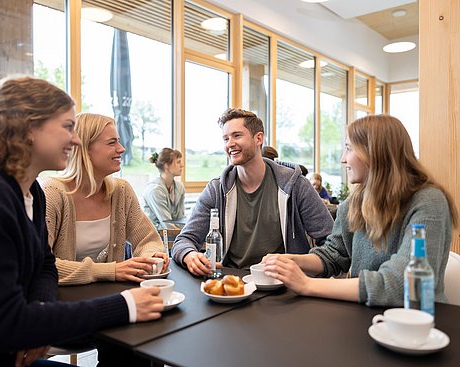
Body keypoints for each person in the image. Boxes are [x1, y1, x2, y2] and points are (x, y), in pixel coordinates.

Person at [0, 77, 164, 366]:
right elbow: (4, 325)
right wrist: (124, 304)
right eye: (68, 127)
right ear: (29, 129)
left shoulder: (31, 193)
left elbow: (44, 264)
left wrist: (37, 318)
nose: (75, 139)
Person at [264, 115, 458, 307]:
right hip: (366, 316)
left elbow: (403, 283)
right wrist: (291, 261)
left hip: (419, 322)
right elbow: (334, 254)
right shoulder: (354, 203)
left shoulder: (429, 202)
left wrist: (306, 284)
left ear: (374, 152)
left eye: (348, 149)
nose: (342, 159)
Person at [172, 108, 334, 276]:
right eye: (226, 138)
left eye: (237, 136)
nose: (229, 144)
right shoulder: (216, 189)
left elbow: (331, 241)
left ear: (259, 138)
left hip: (285, 285)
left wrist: (302, 268)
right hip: (233, 283)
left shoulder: (296, 185)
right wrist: (189, 255)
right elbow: (184, 240)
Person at [41, 113, 168, 286]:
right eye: (112, 142)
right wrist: (111, 271)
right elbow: (40, 264)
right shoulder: (52, 194)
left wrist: (151, 257)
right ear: (84, 148)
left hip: (109, 297)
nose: (122, 148)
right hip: (62, 302)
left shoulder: (121, 191)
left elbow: (148, 240)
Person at [143, 148, 186, 230]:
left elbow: (181, 219)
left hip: (173, 235)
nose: (182, 165)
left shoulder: (179, 187)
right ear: (166, 166)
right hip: (154, 237)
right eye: (178, 162)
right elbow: (166, 224)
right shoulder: (155, 190)